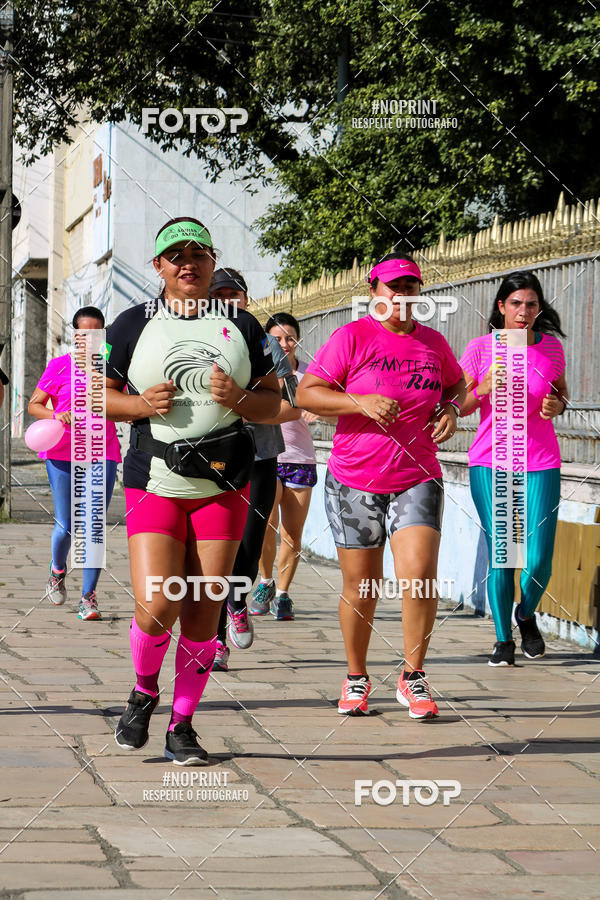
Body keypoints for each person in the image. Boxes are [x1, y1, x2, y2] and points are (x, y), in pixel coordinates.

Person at [104, 218, 280, 764]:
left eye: (199, 253)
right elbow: (92, 397)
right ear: (157, 266)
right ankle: (143, 689)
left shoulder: (244, 325)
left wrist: (242, 401)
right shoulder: (130, 323)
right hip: (155, 480)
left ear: (212, 261)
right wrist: (136, 406)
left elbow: (276, 403)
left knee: (204, 612)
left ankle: (182, 726)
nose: (188, 263)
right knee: (158, 603)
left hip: (223, 484)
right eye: (175, 255)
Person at [297, 253, 465, 718]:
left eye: (409, 287)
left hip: (418, 475)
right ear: (374, 292)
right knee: (362, 584)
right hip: (355, 479)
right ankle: (356, 676)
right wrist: (358, 401)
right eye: (392, 287)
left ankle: (413, 677)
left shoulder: (433, 343)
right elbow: (306, 393)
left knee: (418, 576)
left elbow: (459, 388)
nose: (401, 296)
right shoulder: (351, 337)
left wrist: (451, 408)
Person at [459, 271, 568, 666]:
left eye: (532, 305)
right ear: (501, 306)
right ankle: (503, 639)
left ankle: (525, 615)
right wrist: (482, 388)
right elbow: (459, 404)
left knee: (538, 559)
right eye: (517, 304)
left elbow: (559, 394)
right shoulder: (480, 348)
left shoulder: (552, 348)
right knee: (504, 552)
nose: (524, 312)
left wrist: (558, 405)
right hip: (492, 460)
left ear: (540, 309)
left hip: (541, 460)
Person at [208, 268, 298, 670]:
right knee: (214, 545)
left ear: (246, 298)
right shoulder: (192, 337)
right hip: (209, 456)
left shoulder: (265, 343)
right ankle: (213, 637)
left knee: (251, 537)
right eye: (220, 293)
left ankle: (238, 603)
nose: (228, 301)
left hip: (260, 452)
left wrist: (248, 403)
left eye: (235, 294)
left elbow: (291, 400)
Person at [27, 307, 122, 620]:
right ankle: (57, 569)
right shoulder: (58, 366)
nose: (90, 341)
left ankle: (88, 597)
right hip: (62, 453)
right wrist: (57, 415)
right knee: (66, 525)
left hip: (102, 452)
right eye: (85, 335)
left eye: (97, 334)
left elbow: (129, 404)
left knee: (94, 525)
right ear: (75, 336)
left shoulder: (113, 369)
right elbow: (34, 405)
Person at [254, 313, 318, 621]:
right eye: (276, 338)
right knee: (265, 525)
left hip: (300, 460)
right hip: (267, 457)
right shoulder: (259, 374)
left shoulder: (310, 374)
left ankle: (283, 594)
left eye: (289, 338)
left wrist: (319, 411)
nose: (283, 344)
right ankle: (265, 581)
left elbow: (334, 407)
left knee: (292, 532)